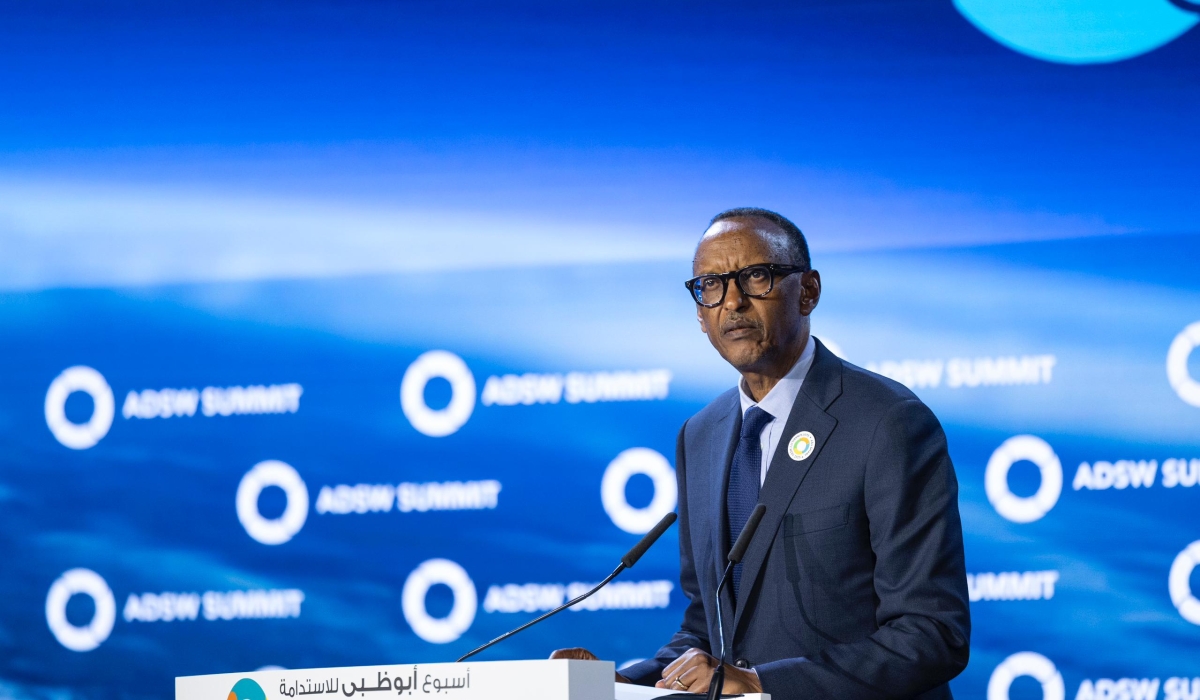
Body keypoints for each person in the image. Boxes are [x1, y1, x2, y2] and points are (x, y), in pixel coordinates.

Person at [553, 208, 970, 699]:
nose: (732, 301)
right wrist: (626, 683)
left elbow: (932, 633)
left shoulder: (888, 422)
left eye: (755, 276)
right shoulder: (700, 435)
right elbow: (709, 628)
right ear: (700, 314)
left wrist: (762, 683)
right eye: (711, 285)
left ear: (808, 291)